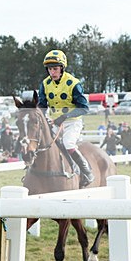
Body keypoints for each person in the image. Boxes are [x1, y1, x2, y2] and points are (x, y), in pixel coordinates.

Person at [37, 49, 93, 187]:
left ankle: (86, 172)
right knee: (43, 143)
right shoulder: (45, 84)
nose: (52, 72)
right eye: (49, 69)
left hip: (72, 121)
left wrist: (64, 117)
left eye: (55, 69)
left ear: (62, 68)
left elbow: (84, 108)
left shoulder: (73, 83)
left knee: (68, 144)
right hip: (54, 121)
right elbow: (42, 105)